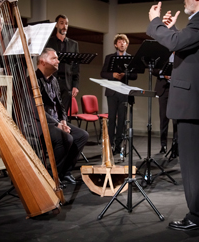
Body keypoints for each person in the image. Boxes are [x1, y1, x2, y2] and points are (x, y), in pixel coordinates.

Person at [147, 0, 199, 231]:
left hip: (195, 104)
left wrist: (155, 22)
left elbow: (177, 43)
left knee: (194, 166)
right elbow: (185, 44)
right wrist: (169, 31)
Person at [32, 48, 88, 184]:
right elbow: (35, 109)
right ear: (42, 62)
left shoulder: (55, 80)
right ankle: (52, 176)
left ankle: (65, 172)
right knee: (66, 138)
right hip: (40, 122)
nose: (58, 61)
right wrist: (57, 124)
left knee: (82, 135)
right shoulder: (33, 80)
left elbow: (60, 105)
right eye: (54, 58)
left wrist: (63, 120)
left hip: (56, 120)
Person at [100, 34, 137, 154]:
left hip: (124, 92)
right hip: (111, 92)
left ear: (127, 44)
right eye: (120, 42)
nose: (122, 44)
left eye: (124, 42)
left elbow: (135, 76)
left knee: (122, 119)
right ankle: (109, 145)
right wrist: (113, 75)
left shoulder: (131, 58)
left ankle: (118, 146)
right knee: (112, 118)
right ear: (116, 45)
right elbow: (103, 73)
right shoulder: (109, 57)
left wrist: (125, 74)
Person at [46, 14, 80, 114]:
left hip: (67, 83)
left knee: (63, 113)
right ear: (56, 25)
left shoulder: (74, 44)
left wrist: (76, 85)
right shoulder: (49, 42)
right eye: (61, 23)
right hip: (52, 80)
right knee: (51, 111)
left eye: (66, 24)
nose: (64, 26)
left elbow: (76, 66)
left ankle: (62, 129)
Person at [152, 52, 177, 154]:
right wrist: (164, 74)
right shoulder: (162, 55)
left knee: (176, 119)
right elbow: (153, 70)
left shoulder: (181, 55)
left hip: (177, 89)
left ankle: (176, 146)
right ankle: (163, 145)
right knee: (163, 119)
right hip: (163, 89)